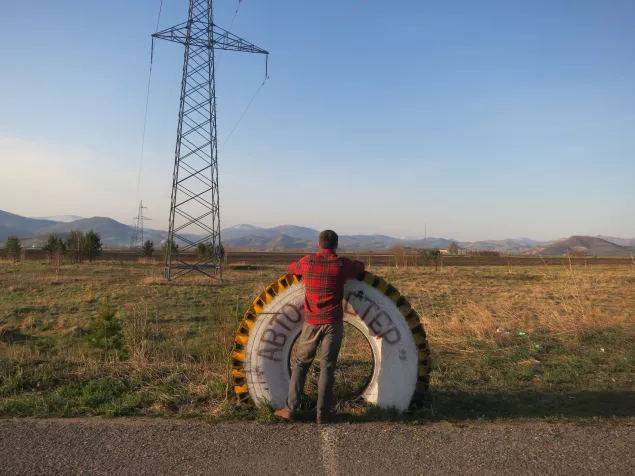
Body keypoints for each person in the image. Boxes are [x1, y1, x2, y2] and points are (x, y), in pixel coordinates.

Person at [274, 230, 366, 424]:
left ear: (318, 244)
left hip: (312, 322)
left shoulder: (307, 262)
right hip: (333, 322)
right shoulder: (342, 264)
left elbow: (290, 269)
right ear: (336, 245)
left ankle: (290, 409)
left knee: (301, 364)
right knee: (328, 367)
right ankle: (323, 414)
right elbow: (360, 268)